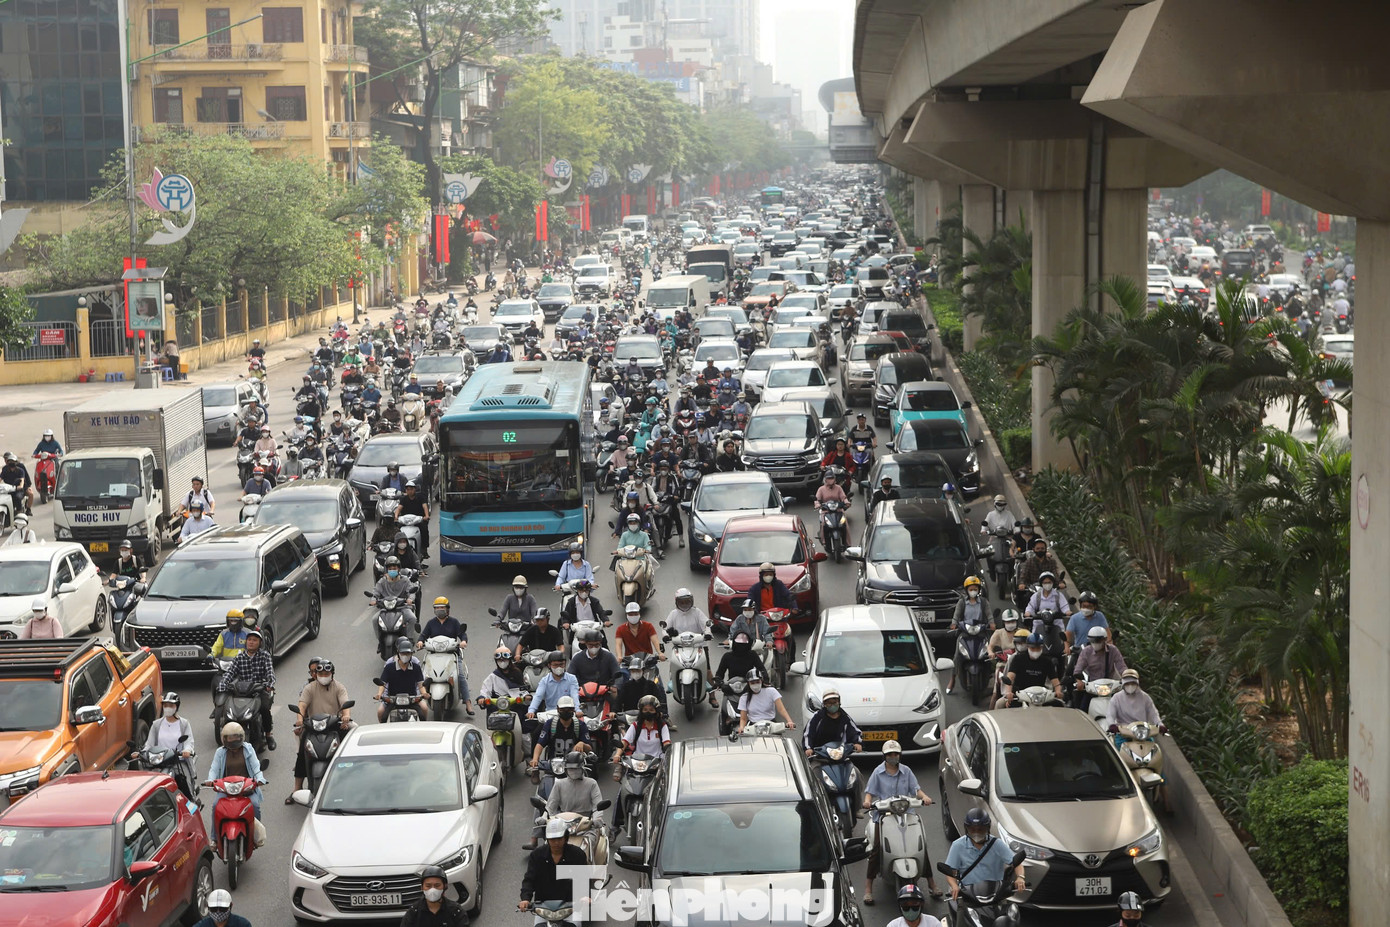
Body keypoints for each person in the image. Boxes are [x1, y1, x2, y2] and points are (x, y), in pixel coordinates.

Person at [862, 740, 939, 904]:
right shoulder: (878, 773)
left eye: (895, 754)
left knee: (921, 846)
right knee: (877, 848)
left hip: (907, 815)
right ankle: (868, 888)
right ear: (884, 756)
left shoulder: (907, 771)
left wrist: (924, 797)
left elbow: (916, 790)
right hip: (885, 817)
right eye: (890, 754)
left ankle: (932, 884)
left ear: (900, 755)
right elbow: (870, 792)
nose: (893, 757)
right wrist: (867, 802)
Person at [291, 660, 352, 798]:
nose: (323, 676)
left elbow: (345, 703)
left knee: (349, 747)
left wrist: (346, 716)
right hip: (313, 727)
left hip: (335, 725)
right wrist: (300, 719)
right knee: (302, 755)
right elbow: (302, 705)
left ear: (332, 674)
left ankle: (351, 781)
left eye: (326, 673)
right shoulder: (310, 688)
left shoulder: (339, 687)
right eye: (320, 673)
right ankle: (296, 789)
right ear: (316, 674)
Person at [610, 697, 670, 837]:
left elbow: (667, 743)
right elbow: (624, 742)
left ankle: (664, 822)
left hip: (656, 766)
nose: (648, 712)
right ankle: (614, 826)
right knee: (623, 791)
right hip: (636, 764)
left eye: (651, 710)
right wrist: (618, 755)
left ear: (656, 711)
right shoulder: (636, 726)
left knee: (664, 792)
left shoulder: (662, 727)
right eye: (645, 710)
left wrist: (668, 749)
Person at [944, 808, 1026, 906]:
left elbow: (1016, 863)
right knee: (961, 917)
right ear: (967, 828)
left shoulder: (997, 844)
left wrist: (1020, 878)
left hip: (995, 895)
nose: (976, 832)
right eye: (972, 829)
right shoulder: (958, 845)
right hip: (969, 896)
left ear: (987, 828)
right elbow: (950, 871)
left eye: (980, 829)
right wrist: (954, 885)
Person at [217, 628, 276, 749]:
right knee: (229, 710)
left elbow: (270, 673)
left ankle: (269, 735)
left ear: (260, 643)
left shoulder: (265, 656)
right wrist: (223, 684)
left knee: (265, 709)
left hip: (259, 690)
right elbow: (230, 672)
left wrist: (270, 684)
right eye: (249, 640)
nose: (251, 642)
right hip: (242, 691)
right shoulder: (240, 657)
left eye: (254, 640)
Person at [519, 818, 588, 914]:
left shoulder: (577, 855)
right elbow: (529, 879)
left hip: (571, 907)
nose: (556, 843)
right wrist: (525, 899)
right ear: (547, 838)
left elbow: (583, 879)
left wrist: (584, 896)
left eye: (559, 839)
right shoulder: (537, 855)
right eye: (552, 839)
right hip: (543, 908)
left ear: (565, 838)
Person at [418, 596, 473, 715]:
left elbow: (462, 635)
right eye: (437, 608)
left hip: (451, 654)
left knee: (460, 676)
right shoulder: (431, 623)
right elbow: (423, 635)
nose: (440, 610)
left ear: (447, 609)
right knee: (422, 675)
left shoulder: (454, 622)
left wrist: (463, 641)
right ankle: (418, 699)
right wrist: (420, 642)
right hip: (433, 655)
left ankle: (467, 702)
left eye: (442, 607)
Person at [136, 692, 196, 797]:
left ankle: (192, 803)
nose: (168, 708)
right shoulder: (156, 724)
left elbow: (189, 742)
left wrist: (187, 751)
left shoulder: (184, 724)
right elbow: (149, 744)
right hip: (159, 761)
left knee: (186, 785)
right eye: (165, 705)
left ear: (177, 707)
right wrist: (141, 753)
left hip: (178, 761)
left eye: (171, 705)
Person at [204, 721, 266, 820]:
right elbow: (214, 769)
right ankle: (215, 835)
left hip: (246, 788)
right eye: (230, 737)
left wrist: (259, 778)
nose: (234, 740)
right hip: (226, 788)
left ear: (241, 737)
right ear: (224, 738)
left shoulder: (248, 749)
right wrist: (210, 780)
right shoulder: (220, 752)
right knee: (216, 806)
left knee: (255, 805)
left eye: (236, 736)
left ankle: (255, 832)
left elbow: (255, 767)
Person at [665, 588, 716, 694]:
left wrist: (707, 633)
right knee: (673, 665)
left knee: (707, 670)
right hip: (680, 646)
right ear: (676, 602)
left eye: (687, 601)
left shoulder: (697, 612)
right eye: (681, 602)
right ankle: (673, 682)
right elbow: (665, 628)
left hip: (698, 645)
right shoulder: (673, 614)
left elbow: (706, 624)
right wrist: (666, 635)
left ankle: (712, 696)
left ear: (691, 601)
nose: (684, 604)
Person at [946, 576, 991, 694]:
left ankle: (994, 676)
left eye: (975, 588)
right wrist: (954, 624)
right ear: (967, 590)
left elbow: (989, 614)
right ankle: (953, 679)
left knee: (990, 653)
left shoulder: (984, 602)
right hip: (965, 632)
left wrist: (992, 623)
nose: (973, 591)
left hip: (980, 632)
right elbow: (956, 615)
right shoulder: (962, 602)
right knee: (957, 656)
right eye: (971, 589)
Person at [995, 632, 1064, 709]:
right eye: (1033, 648)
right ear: (1028, 647)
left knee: (1061, 704)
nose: (1035, 651)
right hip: (1019, 695)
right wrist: (1008, 693)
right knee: (999, 704)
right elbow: (1010, 677)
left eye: (1038, 648)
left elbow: (1055, 681)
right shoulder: (1018, 659)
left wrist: (1058, 691)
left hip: (1040, 697)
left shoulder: (1047, 662)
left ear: (1042, 647)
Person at [1072, 627, 1128, 712]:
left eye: (1098, 641)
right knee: (1082, 710)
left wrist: (1127, 677)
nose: (1095, 643)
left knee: (1124, 710)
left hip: (1110, 687)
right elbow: (1078, 669)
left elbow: (1122, 667)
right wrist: (1079, 681)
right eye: (1092, 641)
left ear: (1105, 640)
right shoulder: (1086, 651)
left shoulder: (1113, 650)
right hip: (1092, 688)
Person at [399, 866, 470, 927]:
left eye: (437, 885)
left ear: (444, 887)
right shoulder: (414, 912)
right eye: (428, 886)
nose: (432, 890)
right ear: (422, 887)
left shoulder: (456, 911)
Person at [377, 637, 427, 722]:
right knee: (381, 713)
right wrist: (379, 694)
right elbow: (383, 683)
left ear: (411, 654)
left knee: (424, 710)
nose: (405, 656)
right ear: (398, 653)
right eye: (403, 653)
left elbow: (420, 684)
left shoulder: (416, 667)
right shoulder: (389, 667)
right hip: (393, 701)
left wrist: (424, 693)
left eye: (408, 653)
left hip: (412, 700)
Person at [547, 750, 603, 821]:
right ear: (566, 770)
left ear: (582, 768)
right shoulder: (559, 784)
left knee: (594, 832)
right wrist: (544, 818)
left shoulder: (591, 783)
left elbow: (597, 805)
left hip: (586, 822)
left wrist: (597, 818)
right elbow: (551, 806)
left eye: (576, 768)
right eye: (570, 769)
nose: (573, 771)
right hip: (564, 821)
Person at [736, 668, 795, 733]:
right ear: (748, 683)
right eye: (752, 683)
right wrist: (741, 727)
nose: (755, 685)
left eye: (757, 682)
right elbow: (743, 719)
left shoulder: (771, 691)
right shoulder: (744, 698)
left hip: (771, 726)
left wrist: (789, 721)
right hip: (753, 728)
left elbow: (781, 709)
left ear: (761, 681)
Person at [568, 627, 622, 691]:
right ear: (586, 644)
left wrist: (615, 686)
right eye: (590, 645)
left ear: (600, 643)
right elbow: (570, 676)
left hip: (604, 691)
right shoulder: (577, 658)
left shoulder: (609, 656)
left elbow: (618, 674)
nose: (594, 647)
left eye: (597, 645)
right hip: (583, 693)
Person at [528, 652, 580, 718]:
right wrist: (531, 711)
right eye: (555, 665)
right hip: (550, 714)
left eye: (561, 664)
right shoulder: (544, 681)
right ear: (549, 665)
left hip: (568, 713)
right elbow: (538, 696)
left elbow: (575, 695)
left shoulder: (572, 678)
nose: (558, 667)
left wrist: (577, 710)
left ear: (565, 664)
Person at [395, 480, 432, 563]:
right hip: (406, 521)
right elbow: (399, 508)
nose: (409, 491)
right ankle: (395, 548)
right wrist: (396, 517)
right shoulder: (404, 499)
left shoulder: (421, 497)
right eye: (407, 489)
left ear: (414, 489)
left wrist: (426, 516)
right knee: (397, 530)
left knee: (424, 529)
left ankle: (424, 549)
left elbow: (425, 506)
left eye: (411, 489)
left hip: (418, 521)